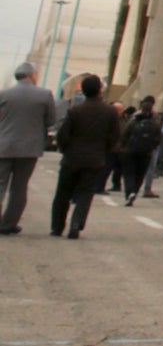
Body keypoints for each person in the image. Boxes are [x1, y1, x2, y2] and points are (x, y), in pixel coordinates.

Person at [50, 74, 120, 239]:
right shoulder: (110, 111)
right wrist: (104, 150)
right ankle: (76, 223)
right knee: (85, 193)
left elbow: (63, 135)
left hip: (72, 158)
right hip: (95, 159)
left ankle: (57, 227)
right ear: (100, 90)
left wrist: (66, 149)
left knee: (63, 193)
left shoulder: (75, 111)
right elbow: (115, 136)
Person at [0, 62, 58, 234]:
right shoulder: (45, 95)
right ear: (32, 75)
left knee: (0, 184)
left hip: (3, 145)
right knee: (19, 187)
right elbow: (50, 121)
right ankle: (8, 224)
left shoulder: (4, 94)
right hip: (29, 148)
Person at [120, 96, 162, 205]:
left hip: (131, 149)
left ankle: (129, 192)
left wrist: (124, 146)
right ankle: (135, 191)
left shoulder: (134, 117)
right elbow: (158, 136)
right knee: (140, 173)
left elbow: (125, 133)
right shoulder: (156, 119)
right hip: (146, 152)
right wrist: (152, 147)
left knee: (129, 173)